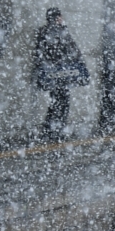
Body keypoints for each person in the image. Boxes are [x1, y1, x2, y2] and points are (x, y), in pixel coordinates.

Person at [33, 8, 89, 142]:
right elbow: (71, 50)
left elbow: (41, 53)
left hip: (53, 73)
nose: (62, 18)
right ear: (57, 17)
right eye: (60, 16)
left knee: (55, 102)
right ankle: (56, 131)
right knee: (62, 102)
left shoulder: (43, 31)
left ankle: (48, 130)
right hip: (61, 73)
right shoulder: (59, 31)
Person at [99, 23, 115, 133]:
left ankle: (107, 121)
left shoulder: (111, 41)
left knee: (110, 100)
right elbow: (111, 57)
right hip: (112, 77)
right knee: (110, 100)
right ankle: (107, 122)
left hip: (112, 76)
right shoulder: (110, 42)